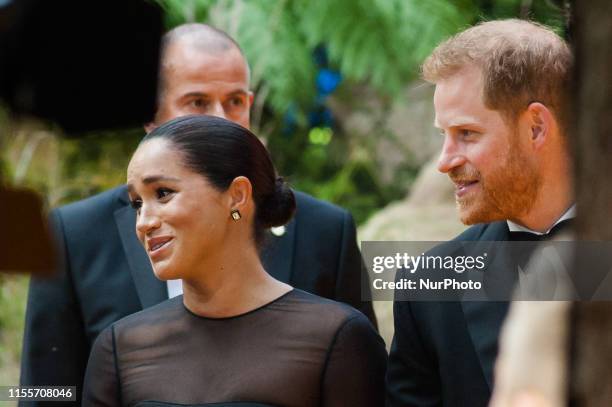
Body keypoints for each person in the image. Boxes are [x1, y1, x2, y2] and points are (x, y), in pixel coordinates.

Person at [20, 24, 376, 405]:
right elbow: (44, 389)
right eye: (198, 102)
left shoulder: (327, 230)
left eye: (236, 101)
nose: (222, 118)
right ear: (150, 113)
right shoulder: (71, 234)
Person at [81, 114, 387, 406]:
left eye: (163, 193)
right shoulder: (120, 348)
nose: (143, 222)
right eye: (137, 203)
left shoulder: (337, 338)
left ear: (237, 196)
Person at [386, 19, 574, 406]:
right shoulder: (427, 287)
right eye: (444, 135)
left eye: (467, 134)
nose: (444, 161)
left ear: (536, 127)